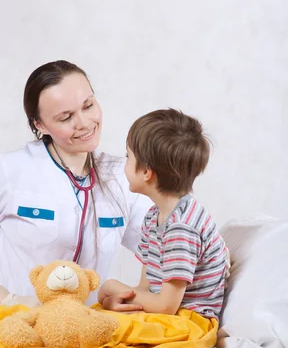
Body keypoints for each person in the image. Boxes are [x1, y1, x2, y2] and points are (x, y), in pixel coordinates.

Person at [0, 60, 151, 307]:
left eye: (88, 105)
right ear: (40, 124)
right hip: (2, 326)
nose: (84, 123)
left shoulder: (122, 176)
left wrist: (128, 297)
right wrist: (9, 301)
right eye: (65, 117)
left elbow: (161, 251)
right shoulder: (8, 170)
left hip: (74, 333)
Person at [98, 108, 229, 319]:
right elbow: (145, 290)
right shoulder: (153, 218)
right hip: (165, 315)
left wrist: (112, 286)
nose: (124, 164)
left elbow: (166, 306)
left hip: (189, 320)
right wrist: (117, 300)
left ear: (146, 172)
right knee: (99, 316)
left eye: (127, 156)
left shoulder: (181, 227)